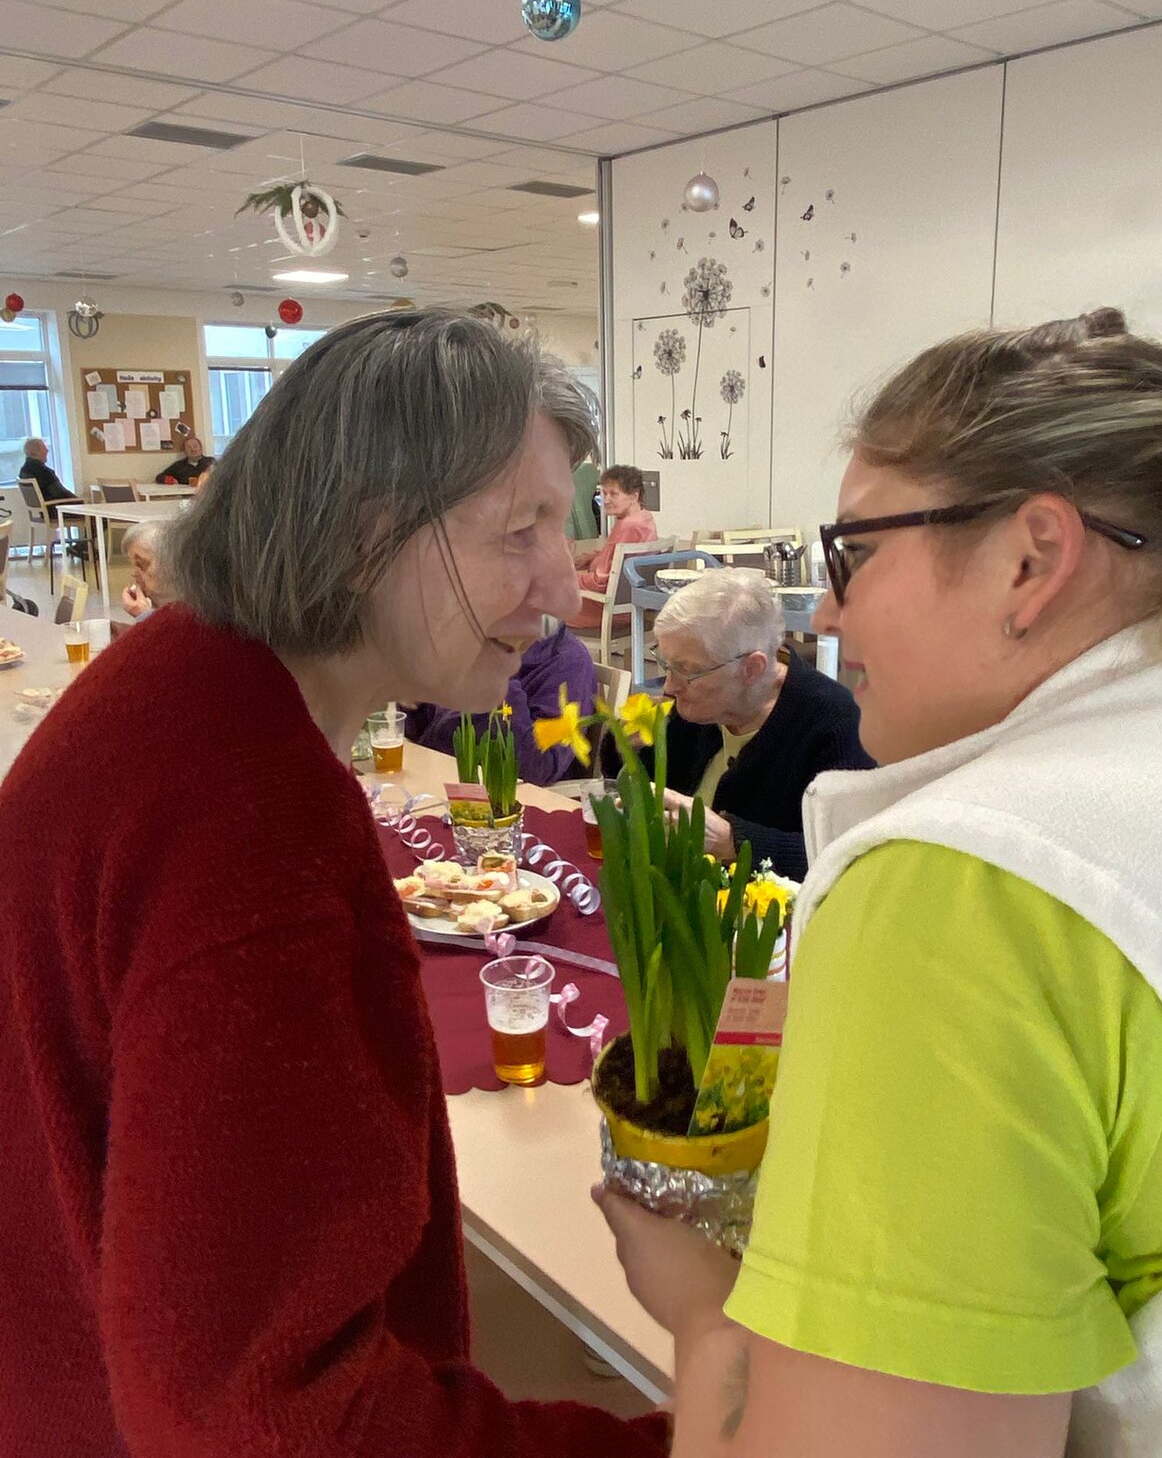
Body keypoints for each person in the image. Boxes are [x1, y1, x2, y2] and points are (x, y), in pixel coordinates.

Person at [0, 311, 668, 1458]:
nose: (566, 588)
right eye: (521, 531)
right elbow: (262, 1423)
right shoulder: (246, 815)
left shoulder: (188, 682)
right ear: (367, 534)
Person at [597, 307, 1162, 1458]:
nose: (826, 611)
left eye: (855, 554)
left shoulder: (963, 891)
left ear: (1032, 558)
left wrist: (702, 1317)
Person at [606, 569, 871, 878]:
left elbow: (850, 857)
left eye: (686, 670)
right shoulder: (696, 708)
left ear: (752, 668)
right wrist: (623, 747)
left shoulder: (837, 726)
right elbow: (640, 787)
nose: (669, 686)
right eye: (667, 664)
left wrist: (732, 841)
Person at [406, 621, 596, 785]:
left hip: (504, 802)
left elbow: (539, 767)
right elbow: (428, 730)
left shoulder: (568, 663)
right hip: (435, 777)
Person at [570, 463, 658, 631]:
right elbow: (616, 557)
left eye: (613, 494)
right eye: (604, 493)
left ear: (634, 496)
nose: (606, 500)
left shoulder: (627, 526)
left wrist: (566, 577)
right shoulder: (645, 519)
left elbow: (599, 582)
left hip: (605, 609)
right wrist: (589, 558)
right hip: (629, 606)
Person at [119, 520, 172, 620]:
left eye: (141, 564)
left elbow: (171, 629)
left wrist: (143, 614)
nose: (134, 573)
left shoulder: (195, 607)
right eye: (133, 564)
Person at [19, 436, 80, 507]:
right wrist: (80, 501)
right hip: (55, 509)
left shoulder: (23, 471)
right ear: (36, 452)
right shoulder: (44, 472)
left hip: (43, 510)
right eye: (44, 448)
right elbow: (60, 493)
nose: (47, 450)